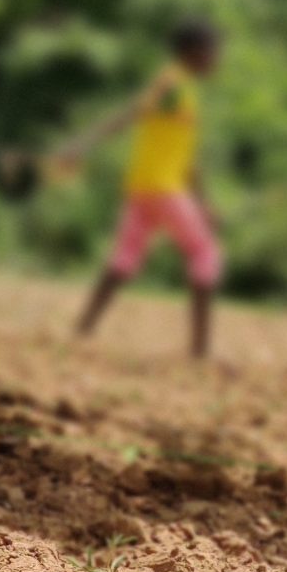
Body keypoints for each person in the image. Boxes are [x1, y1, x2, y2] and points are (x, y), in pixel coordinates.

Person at [60, 20, 225, 358]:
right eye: (213, 51)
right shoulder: (173, 84)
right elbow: (131, 114)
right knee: (205, 253)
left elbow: (186, 158)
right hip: (164, 189)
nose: (216, 59)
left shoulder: (183, 90)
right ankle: (200, 350)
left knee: (125, 256)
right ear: (193, 53)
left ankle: (83, 328)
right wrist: (81, 144)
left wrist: (204, 202)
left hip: (143, 188)